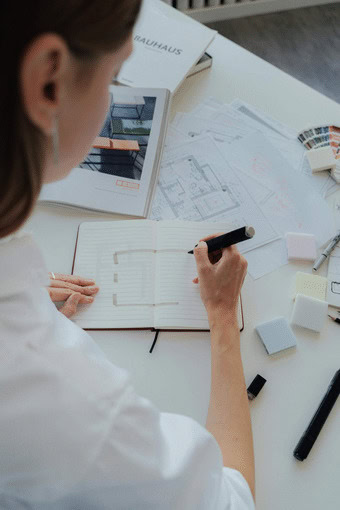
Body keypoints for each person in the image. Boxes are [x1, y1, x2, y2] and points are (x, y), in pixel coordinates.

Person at [0, 1, 255, 508]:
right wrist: (224, 318)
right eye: (114, 78)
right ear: (49, 80)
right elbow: (231, 501)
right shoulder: (66, 407)